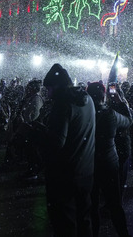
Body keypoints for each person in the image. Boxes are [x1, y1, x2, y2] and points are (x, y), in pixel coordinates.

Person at [25, 63, 95, 237]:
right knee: (84, 219)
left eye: (48, 88)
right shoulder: (88, 99)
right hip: (86, 172)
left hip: (64, 176)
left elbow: (56, 143)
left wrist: (32, 132)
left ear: (56, 86)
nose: (47, 93)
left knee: (64, 223)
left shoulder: (63, 103)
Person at [87, 82, 131, 237]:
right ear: (103, 95)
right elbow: (129, 120)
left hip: (90, 165)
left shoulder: (85, 114)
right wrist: (120, 102)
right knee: (115, 205)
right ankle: (123, 233)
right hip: (109, 164)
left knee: (92, 206)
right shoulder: (110, 114)